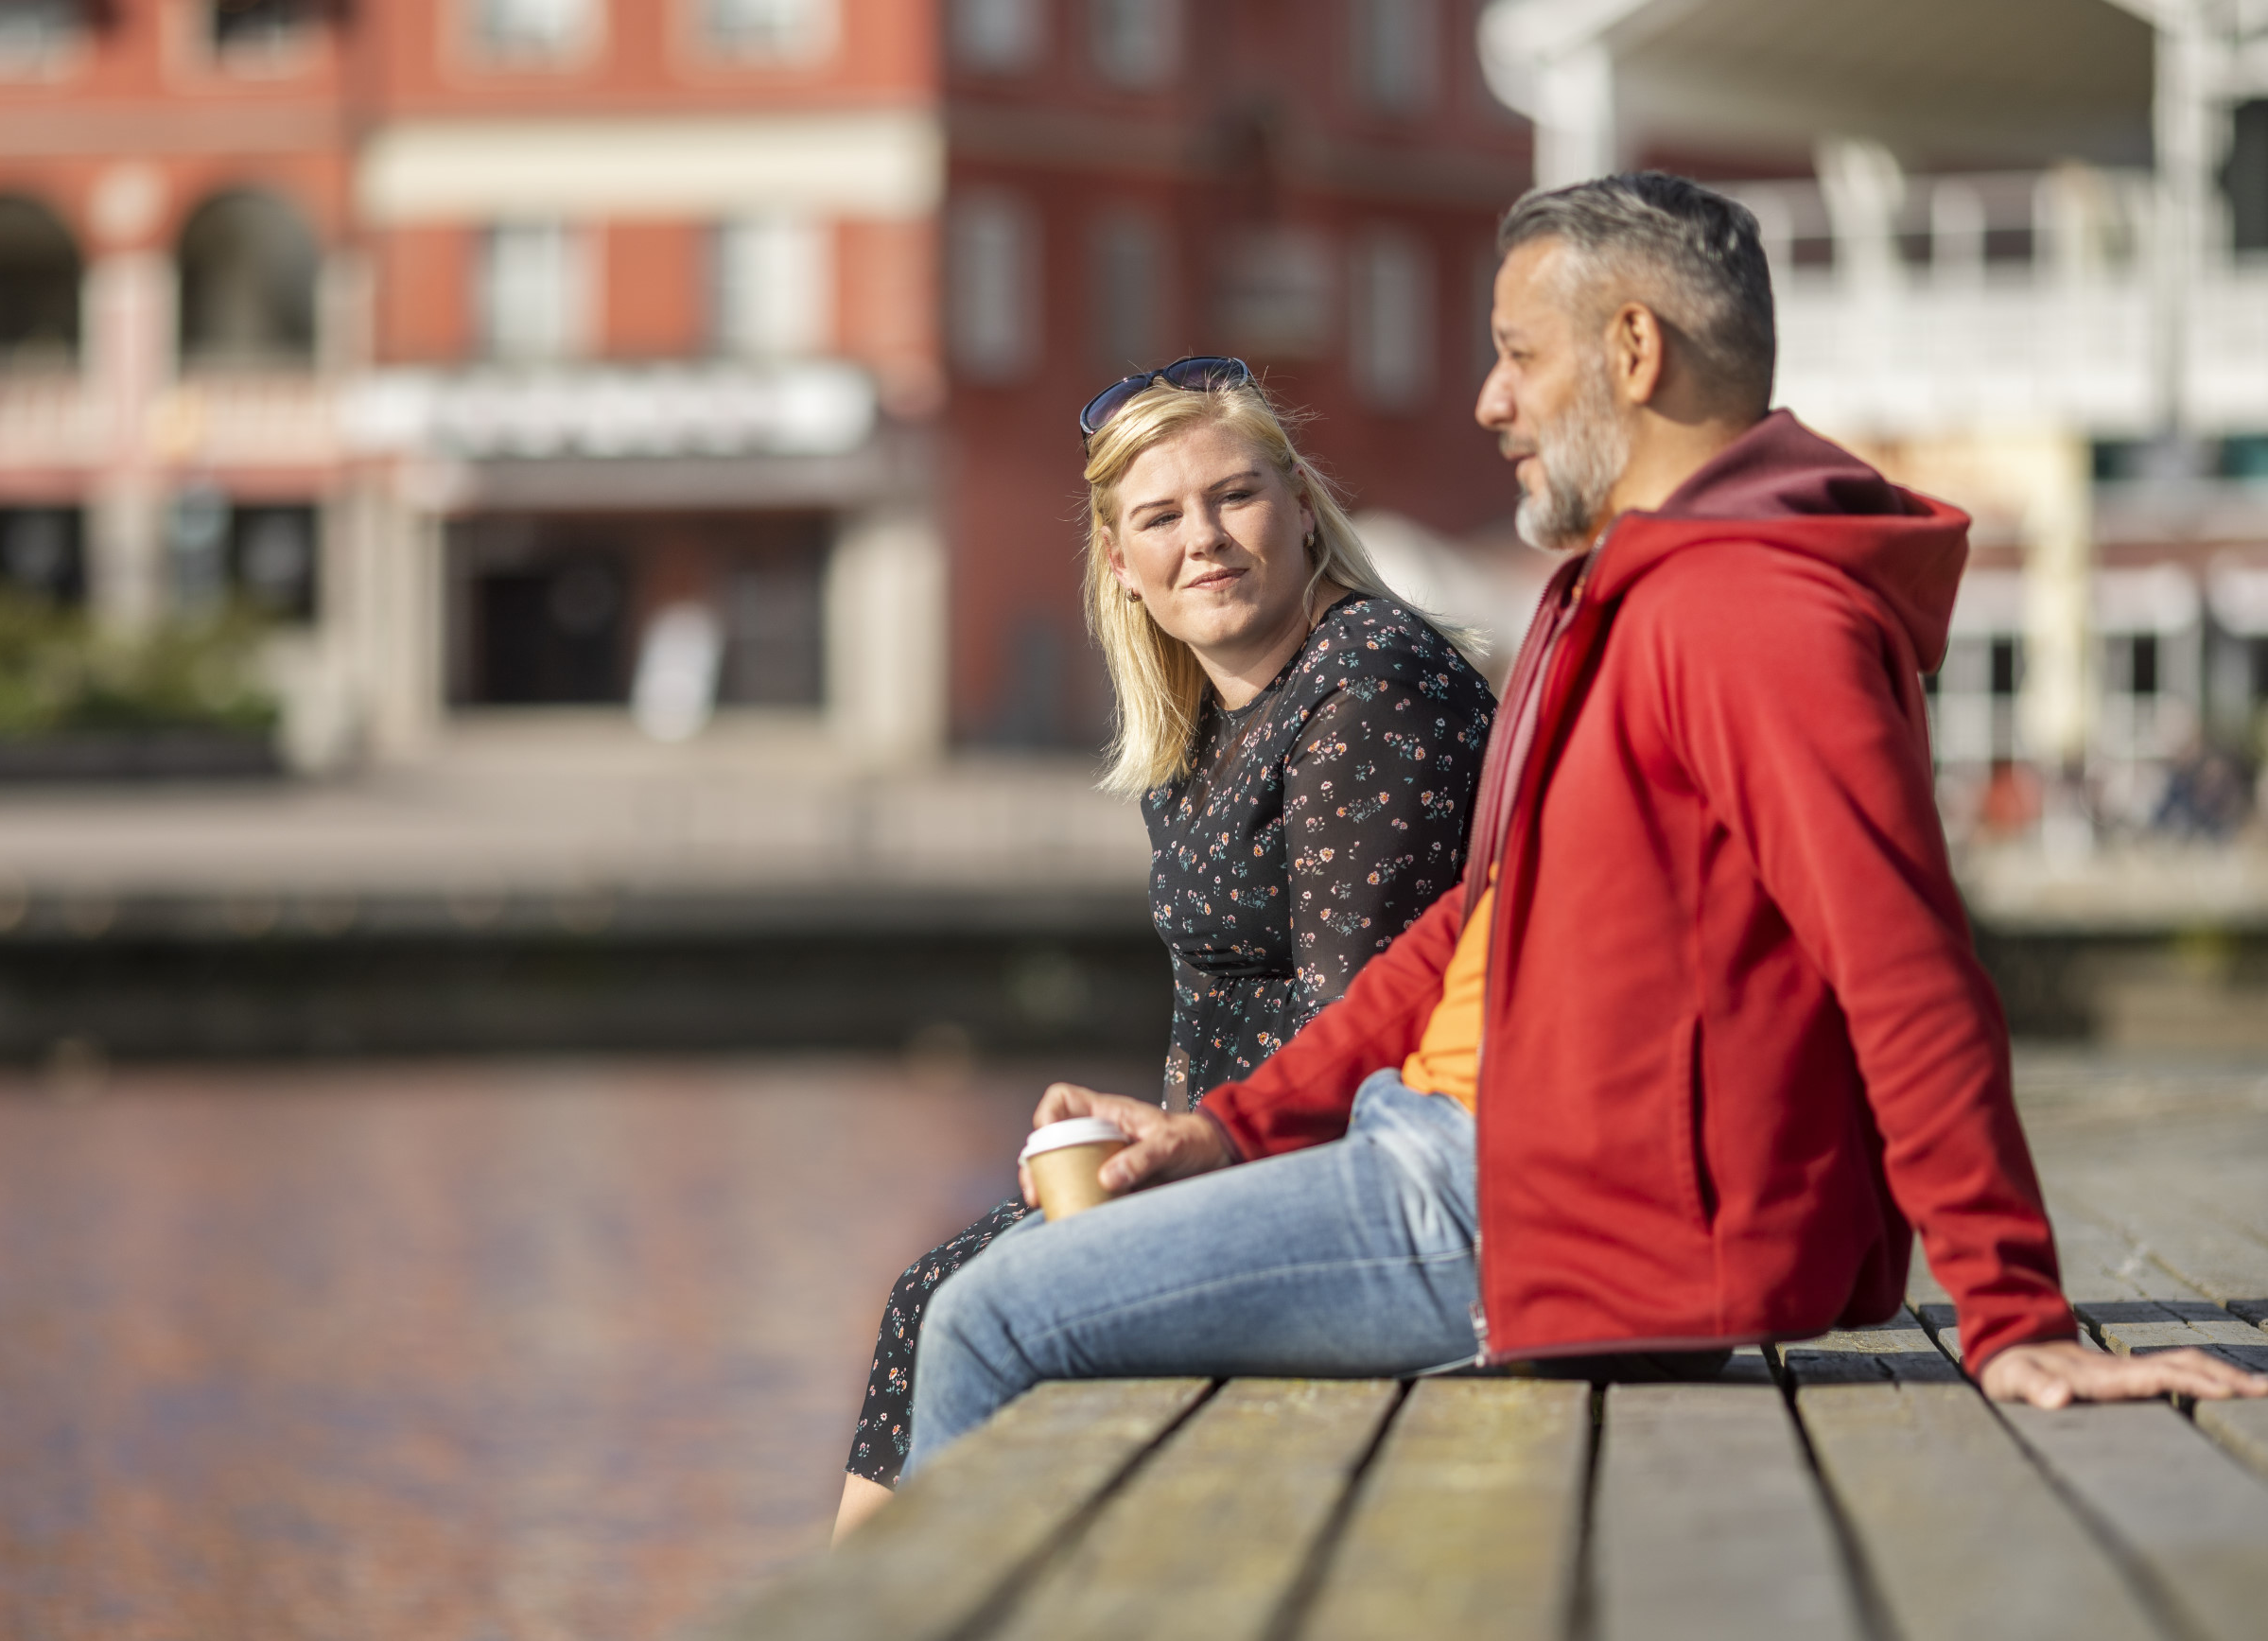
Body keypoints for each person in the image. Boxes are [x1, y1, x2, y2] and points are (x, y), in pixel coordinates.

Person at [903, 173, 2268, 1469]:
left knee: (990, 1312)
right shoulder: (1623, 597)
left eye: (1520, 355)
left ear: (1633, 351)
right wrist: (1229, 1129)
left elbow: (1901, 959)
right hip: (1454, 1155)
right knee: (979, 1287)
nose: (1492, 401)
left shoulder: (1753, 614)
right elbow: (1470, 932)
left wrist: (2014, 1308)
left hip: (1535, 1213)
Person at [834, 362, 1496, 1535]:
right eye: (1160, 518)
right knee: (932, 1296)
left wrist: (1189, 1155)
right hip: (1234, 1155)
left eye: (1234, 497)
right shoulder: (1212, 714)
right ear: (1118, 564)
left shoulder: (1370, 680)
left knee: (966, 1307)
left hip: (1356, 1186)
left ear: (1300, 506)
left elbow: (1363, 1029)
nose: (1205, 540)